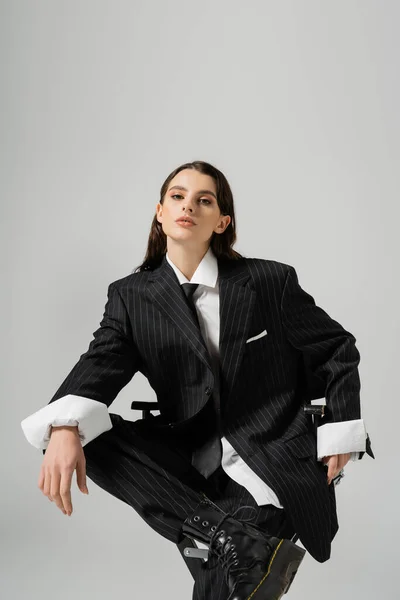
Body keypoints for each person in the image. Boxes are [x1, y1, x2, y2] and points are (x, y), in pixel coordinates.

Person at [21, 160, 374, 600]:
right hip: (189, 463)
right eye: (177, 196)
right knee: (79, 430)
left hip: (272, 454)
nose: (188, 205)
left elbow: (336, 347)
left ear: (221, 221)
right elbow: (100, 363)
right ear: (160, 212)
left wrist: (340, 433)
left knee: (222, 575)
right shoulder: (132, 297)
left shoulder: (268, 281)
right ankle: (230, 535)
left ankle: (230, 536)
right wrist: (63, 427)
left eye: (204, 200)